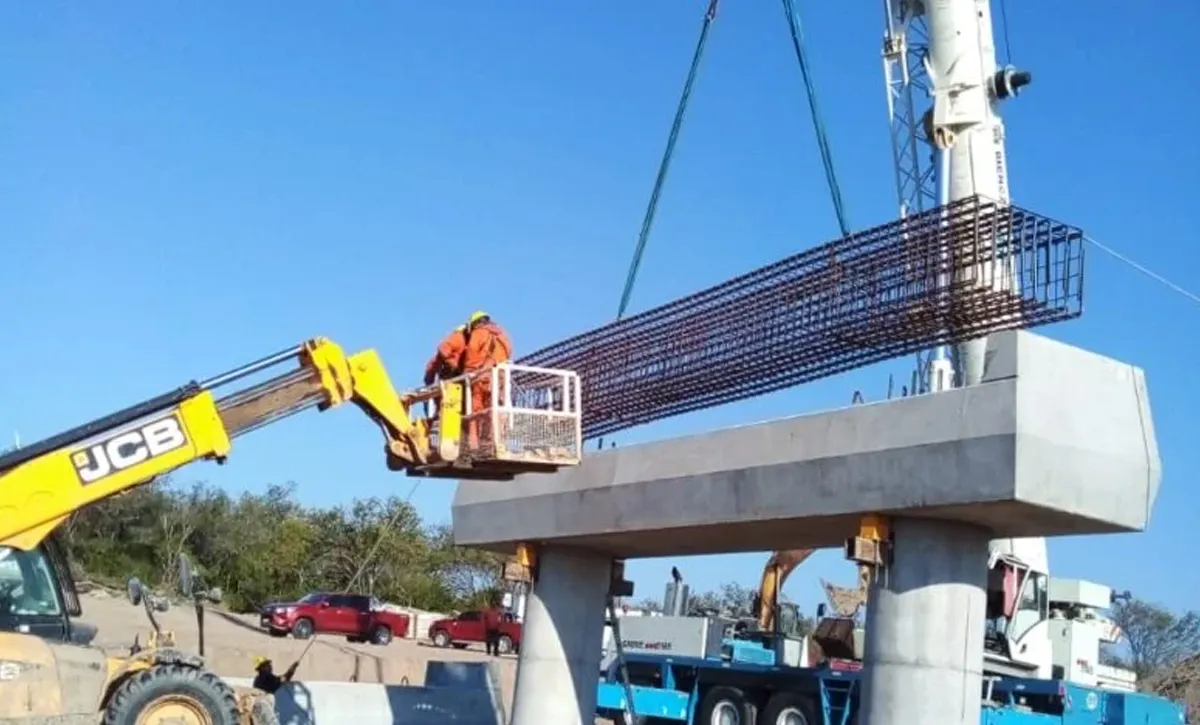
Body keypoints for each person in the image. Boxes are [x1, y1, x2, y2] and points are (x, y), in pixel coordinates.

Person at [461, 311, 513, 450]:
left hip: (483, 377)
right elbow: (509, 352)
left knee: (475, 410)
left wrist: (467, 372)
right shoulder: (502, 334)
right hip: (500, 377)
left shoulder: (478, 333)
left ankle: (474, 444)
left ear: (475, 324)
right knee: (496, 407)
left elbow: (471, 354)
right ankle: (495, 441)